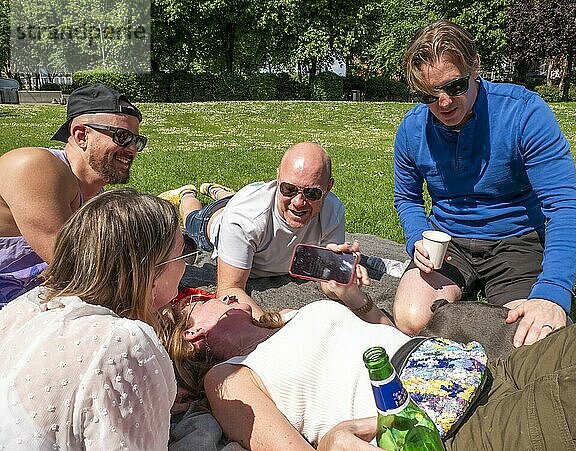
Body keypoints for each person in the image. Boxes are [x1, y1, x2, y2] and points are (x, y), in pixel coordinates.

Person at [167, 268, 576, 451]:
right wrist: (335, 440)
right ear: (191, 332)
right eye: (201, 300)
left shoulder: (286, 319)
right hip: (440, 427)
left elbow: (387, 334)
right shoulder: (229, 378)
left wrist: (358, 301)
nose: (221, 293)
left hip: (480, 366)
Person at [392, 20, 576, 347]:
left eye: (455, 86)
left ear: (475, 67)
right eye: (429, 95)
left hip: (517, 240)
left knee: (529, 342)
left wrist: (553, 291)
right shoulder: (412, 129)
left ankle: (461, 320)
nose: (444, 103)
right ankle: (467, 321)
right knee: (411, 319)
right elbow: (407, 198)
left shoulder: (524, 113)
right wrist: (416, 238)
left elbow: (564, 206)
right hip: (449, 243)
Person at [0, 189, 190, 449]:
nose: (186, 265)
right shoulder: (122, 343)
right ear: (148, 272)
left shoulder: (28, 305)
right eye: (183, 252)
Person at [159, 141, 345, 316]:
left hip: (243, 202)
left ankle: (218, 191)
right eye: (288, 189)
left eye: (312, 193)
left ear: (328, 188)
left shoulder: (332, 210)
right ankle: (186, 194)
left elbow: (328, 280)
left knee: (233, 199)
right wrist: (273, 326)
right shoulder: (245, 219)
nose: (298, 202)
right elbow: (229, 290)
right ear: (278, 178)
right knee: (192, 218)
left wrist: (343, 275)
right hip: (214, 220)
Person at [0, 83, 146, 305]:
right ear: (81, 135)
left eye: (137, 141)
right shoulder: (33, 167)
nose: (132, 149)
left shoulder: (96, 200)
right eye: (122, 136)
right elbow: (77, 266)